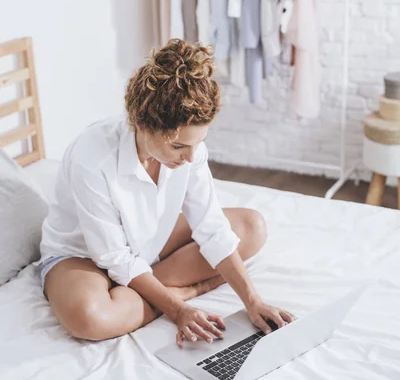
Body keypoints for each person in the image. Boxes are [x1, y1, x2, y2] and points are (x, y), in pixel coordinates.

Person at [39, 39, 295, 346]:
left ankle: (138, 295)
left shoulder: (190, 152)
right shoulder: (91, 156)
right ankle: (179, 290)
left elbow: (211, 228)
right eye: (178, 146)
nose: (190, 157)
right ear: (141, 124)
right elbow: (113, 257)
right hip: (82, 257)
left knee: (252, 227)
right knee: (90, 319)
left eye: (196, 144)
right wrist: (179, 307)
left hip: (146, 244)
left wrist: (253, 302)